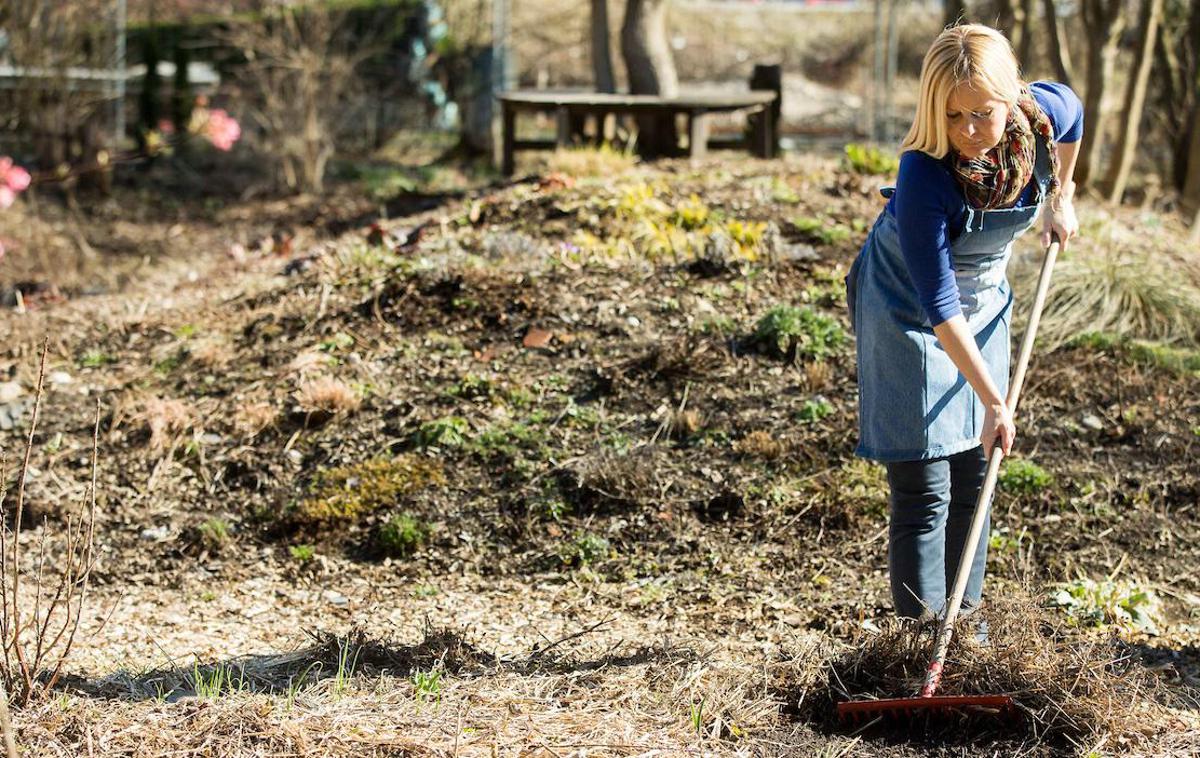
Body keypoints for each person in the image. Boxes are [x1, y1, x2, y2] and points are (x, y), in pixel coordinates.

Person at [845, 24, 1082, 623]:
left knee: (978, 474)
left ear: (1013, 98)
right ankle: (918, 644)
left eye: (984, 113)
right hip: (908, 309)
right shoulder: (925, 174)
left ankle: (963, 636)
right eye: (953, 116)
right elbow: (939, 306)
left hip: (982, 303)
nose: (970, 133)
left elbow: (1075, 114)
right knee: (926, 488)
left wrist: (1062, 199)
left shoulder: (1040, 117)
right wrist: (995, 400)